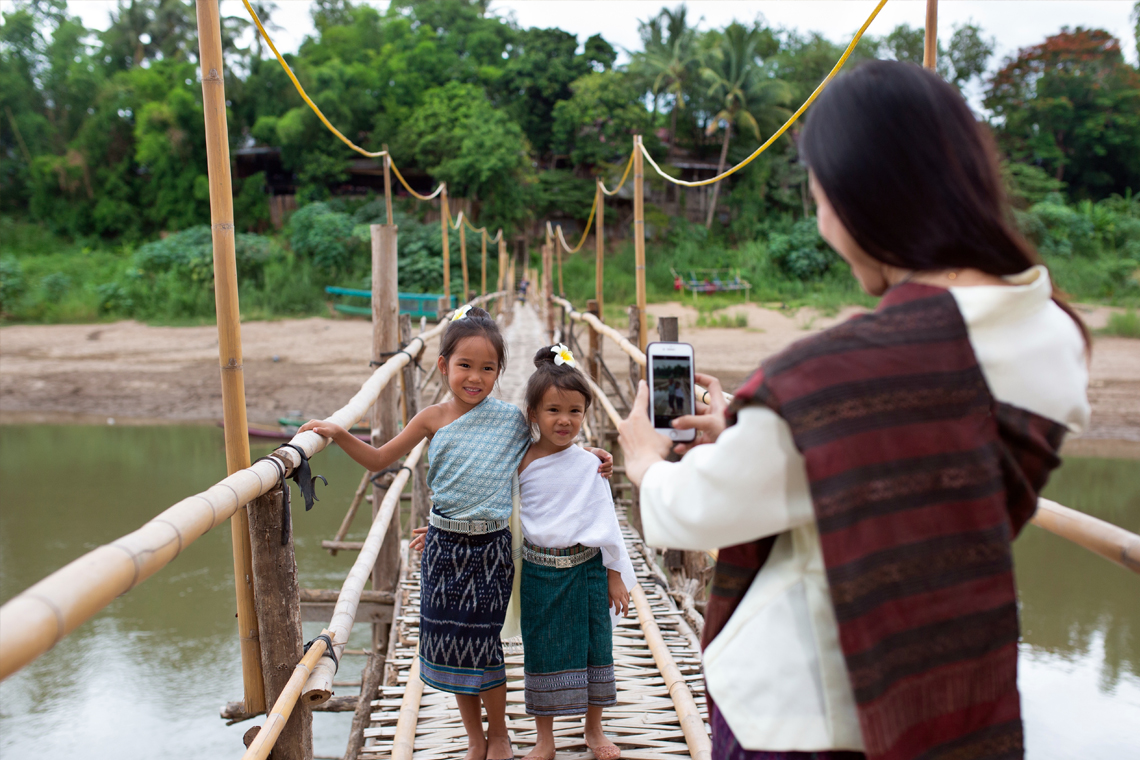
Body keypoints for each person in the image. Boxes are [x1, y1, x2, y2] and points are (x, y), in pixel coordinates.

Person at [617, 61, 1090, 760]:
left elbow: (701, 511)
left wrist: (642, 462)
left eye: (819, 197)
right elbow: (915, 458)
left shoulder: (831, 375)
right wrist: (758, 436)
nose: (821, 221)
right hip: (941, 694)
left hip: (794, 718)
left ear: (858, 194)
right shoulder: (1054, 333)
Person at [300, 308, 612, 760]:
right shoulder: (431, 419)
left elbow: (553, 435)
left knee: (485, 646)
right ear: (443, 364)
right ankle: (475, 737)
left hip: (491, 549)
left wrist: (590, 454)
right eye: (465, 365)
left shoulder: (510, 420)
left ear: (499, 373)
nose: (475, 377)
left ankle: (500, 735)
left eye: (488, 368)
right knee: (452, 646)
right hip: (444, 549)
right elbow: (380, 459)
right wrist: (338, 432)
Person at [515, 345, 637, 760]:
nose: (564, 421)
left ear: (585, 414)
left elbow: (604, 518)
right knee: (542, 649)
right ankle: (544, 739)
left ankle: (594, 730)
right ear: (533, 413)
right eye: (553, 411)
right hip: (539, 572)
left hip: (586, 568)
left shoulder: (589, 465)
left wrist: (614, 574)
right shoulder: (520, 462)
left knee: (595, 647)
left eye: (574, 411)